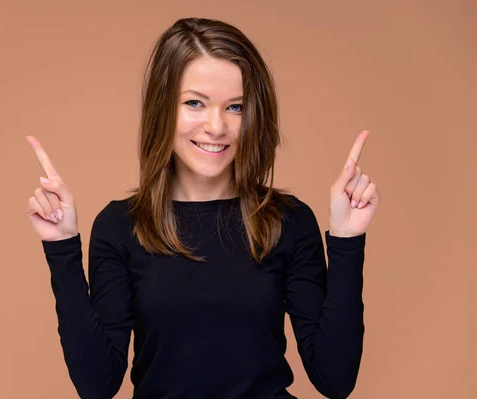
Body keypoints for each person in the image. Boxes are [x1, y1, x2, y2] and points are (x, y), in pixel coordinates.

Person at [26, 17, 380, 399]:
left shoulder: (287, 221)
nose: (216, 126)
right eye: (195, 103)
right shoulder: (120, 227)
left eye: (235, 107)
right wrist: (62, 247)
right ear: (163, 108)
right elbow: (97, 386)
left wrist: (347, 239)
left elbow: (335, 379)